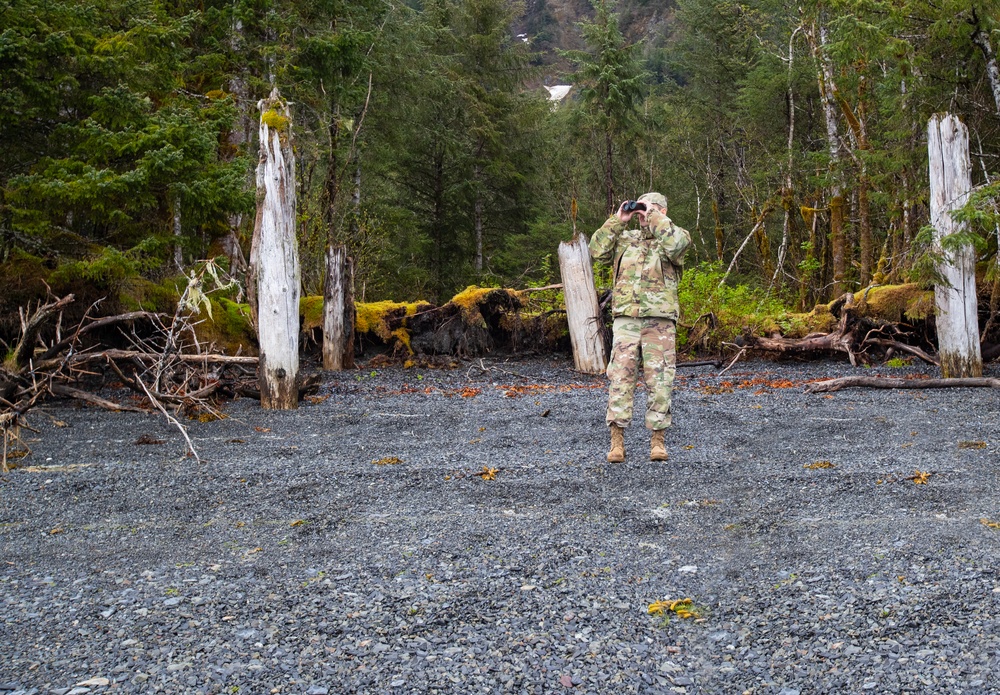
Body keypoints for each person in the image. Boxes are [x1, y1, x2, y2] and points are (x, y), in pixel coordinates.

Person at [589, 192, 691, 462]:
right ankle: (617, 442)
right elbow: (596, 251)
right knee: (620, 380)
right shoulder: (625, 238)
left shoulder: (674, 236)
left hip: (660, 320)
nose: (645, 214)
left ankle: (658, 441)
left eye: (653, 209)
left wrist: (653, 214)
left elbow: (676, 245)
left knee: (660, 381)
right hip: (626, 321)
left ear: (664, 212)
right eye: (642, 208)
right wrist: (619, 219)